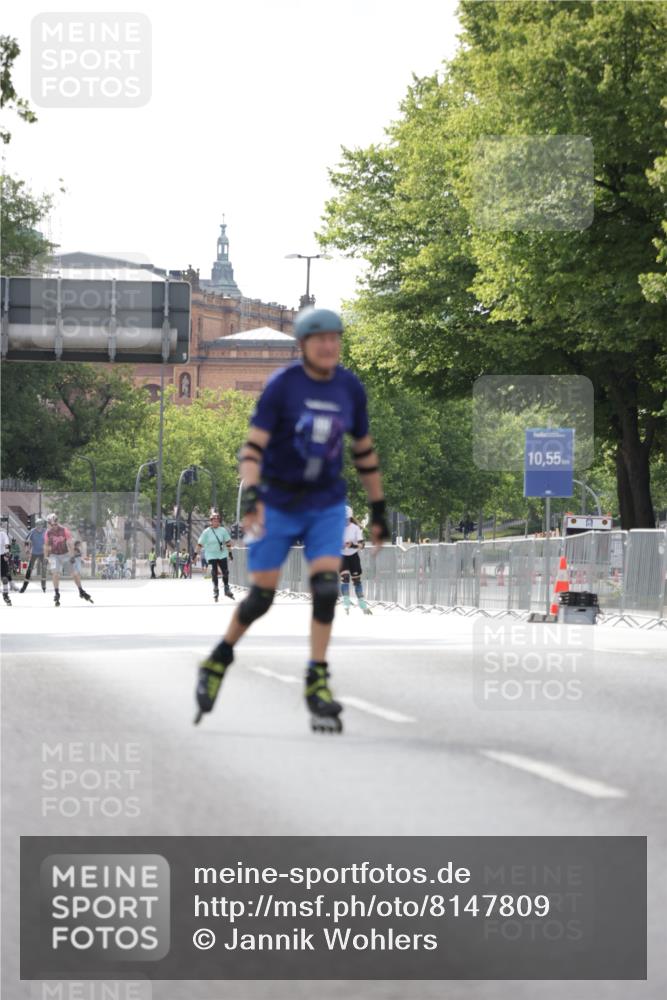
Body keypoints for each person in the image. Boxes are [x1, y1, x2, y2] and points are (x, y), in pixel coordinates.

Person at [194, 306, 390, 733]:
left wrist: (378, 510)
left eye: (335, 338)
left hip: (325, 503)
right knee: (260, 599)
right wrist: (252, 499)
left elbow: (364, 451)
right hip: (279, 501)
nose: (329, 346)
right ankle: (219, 658)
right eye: (321, 339)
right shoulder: (283, 386)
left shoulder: (349, 388)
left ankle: (316, 680)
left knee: (325, 590)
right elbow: (253, 448)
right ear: (303, 345)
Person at [44, 513, 93, 607]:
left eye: (55, 524)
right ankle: (57, 592)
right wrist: (46, 557)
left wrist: (72, 556)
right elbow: (46, 545)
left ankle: (81, 591)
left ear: (57, 522)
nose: (54, 526)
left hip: (65, 554)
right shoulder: (48, 533)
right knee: (55, 573)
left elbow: (70, 543)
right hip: (54, 555)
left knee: (74, 574)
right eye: (51, 524)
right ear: (49, 524)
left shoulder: (64, 530)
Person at [196, 511, 234, 602]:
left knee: (225, 572)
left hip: (222, 553)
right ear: (211, 521)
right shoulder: (206, 532)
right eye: (214, 520)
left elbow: (228, 542)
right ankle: (216, 589)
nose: (216, 522)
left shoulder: (223, 530)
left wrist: (230, 553)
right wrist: (195, 554)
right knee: (214, 571)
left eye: (217, 520)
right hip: (211, 554)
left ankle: (226, 588)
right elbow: (200, 544)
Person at [340, 505, 371, 615]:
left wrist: (352, 545)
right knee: (345, 578)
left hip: (353, 556)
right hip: (342, 556)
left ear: (350, 518)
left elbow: (362, 545)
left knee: (356, 580)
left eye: (346, 519)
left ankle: (362, 604)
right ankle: (346, 603)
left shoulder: (355, 528)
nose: (344, 521)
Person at [21, 517, 48, 593]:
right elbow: (26, 541)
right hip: (34, 553)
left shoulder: (45, 532)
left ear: (42, 525)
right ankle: (24, 587)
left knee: (44, 569)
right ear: (36, 525)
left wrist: (48, 553)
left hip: (43, 553)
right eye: (37, 525)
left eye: (40, 525)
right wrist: (27, 549)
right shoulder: (32, 531)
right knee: (29, 569)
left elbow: (48, 542)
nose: (39, 527)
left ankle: (43, 587)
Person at [1, 525, 13, 605]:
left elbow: (7, 545)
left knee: (4, 577)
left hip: (1, 556)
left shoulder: (2, 533)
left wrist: (7, 554)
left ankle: (5, 595)